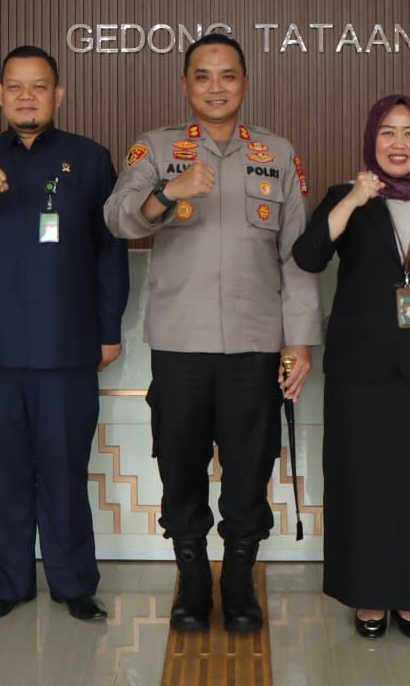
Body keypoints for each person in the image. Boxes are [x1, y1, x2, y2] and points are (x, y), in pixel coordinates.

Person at [104, 31, 321, 633]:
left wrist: (299, 340)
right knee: (180, 464)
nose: (216, 87)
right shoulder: (156, 148)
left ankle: (239, 579)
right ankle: (194, 578)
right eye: (203, 75)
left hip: (256, 341)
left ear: (245, 82)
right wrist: (166, 193)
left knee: (250, 466)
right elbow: (117, 218)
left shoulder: (277, 153)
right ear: (185, 85)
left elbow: (297, 255)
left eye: (227, 75)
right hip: (182, 342)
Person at [0, 46, 129, 623]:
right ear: (0, 95)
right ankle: (8, 582)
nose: (27, 96)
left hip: (68, 347)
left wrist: (109, 328)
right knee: (2, 473)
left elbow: (110, 253)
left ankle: (73, 583)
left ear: (58, 95)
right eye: (15, 86)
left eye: (39, 87)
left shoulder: (90, 159)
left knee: (64, 472)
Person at [290, 94, 410, 641]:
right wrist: (355, 197)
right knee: (362, 482)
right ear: (371, 140)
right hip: (360, 372)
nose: (399, 143)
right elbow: (307, 256)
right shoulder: (346, 198)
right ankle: (367, 594)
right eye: (388, 132)